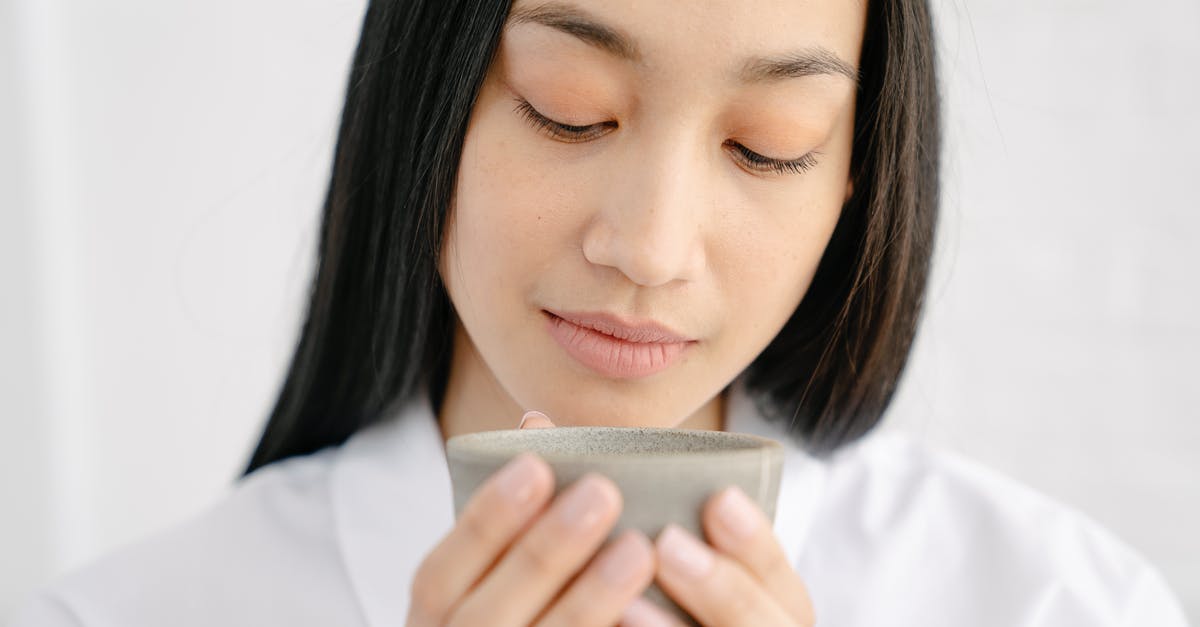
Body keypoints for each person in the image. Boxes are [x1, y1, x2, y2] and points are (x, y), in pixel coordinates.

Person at [11, 0, 1190, 625]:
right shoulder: (127, 616)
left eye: (767, 148)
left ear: (854, 180)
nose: (650, 248)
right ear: (425, 102)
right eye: (568, 111)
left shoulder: (1056, 605)